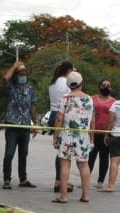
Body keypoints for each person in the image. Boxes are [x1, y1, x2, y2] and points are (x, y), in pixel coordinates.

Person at [52, 71, 93, 203]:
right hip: (83, 136)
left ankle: (64, 196)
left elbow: (59, 118)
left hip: (67, 135)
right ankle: (85, 195)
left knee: (65, 164)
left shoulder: (65, 98)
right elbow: (92, 120)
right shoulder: (89, 99)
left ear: (69, 85)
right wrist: (91, 136)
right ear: (81, 83)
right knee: (83, 165)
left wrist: (55, 136)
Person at [0, 59, 38, 190]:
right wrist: (14, 65)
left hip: (25, 125)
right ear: (16, 75)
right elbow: (5, 78)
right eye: (20, 74)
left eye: (24, 74)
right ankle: (7, 179)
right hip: (12, 125)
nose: (23, 76)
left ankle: (23, 179)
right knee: (9, 153)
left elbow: (33, 106)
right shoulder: (11, 87)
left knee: (23, 153)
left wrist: (36, 124)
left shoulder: (30, 89)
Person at [48, 61, 75, 193]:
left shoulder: (53, 83)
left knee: (61, 150)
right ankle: (60, 180)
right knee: (64, 152)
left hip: (53, 113)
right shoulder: (65, 82)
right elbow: (72, 97)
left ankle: (60, 179)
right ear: (68, 70)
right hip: (62, 116)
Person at [88, 78, 115, 189]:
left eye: (108, 85)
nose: (106, 87)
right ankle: (86, 179)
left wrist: (109, 133)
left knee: (104, 158)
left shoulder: (114, 101)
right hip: (92, 133)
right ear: (99, 86)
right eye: (103, 85)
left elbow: (114, 118)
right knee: (90, 157)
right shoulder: (92, 99)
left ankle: (101, 181)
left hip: (106, 134)